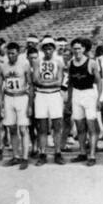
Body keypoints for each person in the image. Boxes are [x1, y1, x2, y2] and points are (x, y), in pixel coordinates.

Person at [0, 42, 33, 170]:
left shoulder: (24, 64)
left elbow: (31, 85)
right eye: (9, 53)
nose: (10, 56)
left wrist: (30, 104)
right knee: (11, 128)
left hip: (22, 97)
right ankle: (15, 156)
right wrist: (0, 101)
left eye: (13, 53)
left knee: (23, 129)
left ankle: (25, 157)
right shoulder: (3, 66)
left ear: (18, 53)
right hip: (8, 98)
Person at [68, 38, 102, 167]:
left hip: (89, 94)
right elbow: (70, 83)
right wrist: (69, 101)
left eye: (79, 48)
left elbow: (99, 81)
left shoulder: (91, 63)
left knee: (91, 126)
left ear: (84, 49)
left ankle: (92, 154)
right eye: (74, 48)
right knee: (80, 126)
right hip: (77, 94)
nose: (76, 51)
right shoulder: (70, 63)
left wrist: (98, 99)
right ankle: (82, 152)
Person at [32, 36, 65, 166]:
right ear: (42, 49)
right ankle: (43, 153)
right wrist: (48, 84)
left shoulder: (59, 62)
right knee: (42, 127)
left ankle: (57, 153)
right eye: (45, 48)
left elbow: (59, 82)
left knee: (57, 125)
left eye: (50, 48)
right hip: (41, 96)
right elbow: (36, 80)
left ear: (54, 49)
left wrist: (44, 83)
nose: (48, 51)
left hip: (55, 95)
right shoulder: (37, 62)